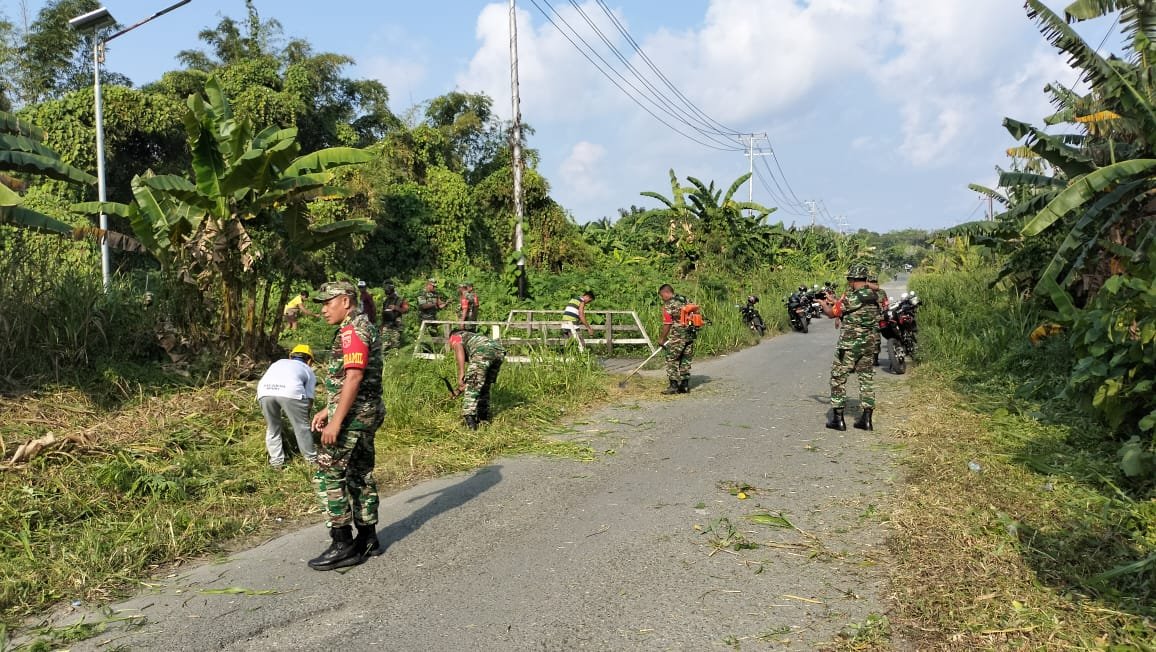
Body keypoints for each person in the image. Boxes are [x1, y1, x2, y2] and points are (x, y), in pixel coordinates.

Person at [307, 281, 385, 571]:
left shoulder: (353, 330)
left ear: (345, 301)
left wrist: (336, 422)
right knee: (360, 473)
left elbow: (354, 377)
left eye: (328, 303)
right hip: (365, 411)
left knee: (327, 473)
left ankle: (342, 543)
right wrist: (328, 409)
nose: (324, 309)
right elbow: (353, 380)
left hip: (354, 417)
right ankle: (367, 538)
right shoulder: (361, 326)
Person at [819, 264, 881, 431]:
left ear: (852, 280)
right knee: (866, 378)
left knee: (838, 377)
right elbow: (851, 308)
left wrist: (823, 304)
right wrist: (835, 301)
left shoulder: (853, 297)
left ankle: (838, 419)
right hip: (868, 344)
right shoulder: (874, 296)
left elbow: (832, 313)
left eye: (849, 279)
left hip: (849, 346)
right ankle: (866, 420)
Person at [256, 344, 318, 468]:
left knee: (272, 428)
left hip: (264, 391)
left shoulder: (277, 363)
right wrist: (305, 417)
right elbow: (309, 400)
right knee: (301, 428)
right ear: (309, 360)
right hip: (291, 392)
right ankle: (311, 462)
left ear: (291, 356)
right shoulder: (308, 369)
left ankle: (276, 463)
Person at [449, 328, 505, 430]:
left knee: (473, 385)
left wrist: (461, 373)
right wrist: (459, 390)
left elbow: (458, 346)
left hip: (482, 351)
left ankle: (470, 422)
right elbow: (477, 380)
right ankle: (483, 418)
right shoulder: (474, 337)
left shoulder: (456, 336)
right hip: (499, 351)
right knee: (484, 386)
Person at [657, 284, 696, 395]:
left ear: (666, 293)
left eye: (662, 296)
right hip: (690, 335)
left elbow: (667, 323)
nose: (662, 299)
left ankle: (673, 386)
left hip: (677, 337)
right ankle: (684, 385)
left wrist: (662, 339)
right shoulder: (685, 299)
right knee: (685, 360)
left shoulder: (669, 305)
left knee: (671, 359)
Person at [379, 280, 409, 352]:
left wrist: (396, 308)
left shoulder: (400, 299)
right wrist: (381, 326)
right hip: (386, 326)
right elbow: (384, 314)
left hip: (396, 326)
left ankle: (394, 358)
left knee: (395, 346)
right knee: (384, 346)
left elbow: (406, 310)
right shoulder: (386, 301)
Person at [866, 272, 888, 366]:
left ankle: (875, 358)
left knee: (876, 340)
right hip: (864, 319)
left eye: (875, 282)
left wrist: (885, 313)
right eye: (872, 282)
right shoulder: (864, 292)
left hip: (877, 318)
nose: (874, 284)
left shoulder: (881, 292)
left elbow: (885, 304)